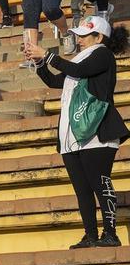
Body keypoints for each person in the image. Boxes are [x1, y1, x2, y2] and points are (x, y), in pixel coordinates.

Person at [24, 16, 128, 248]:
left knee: (100, 183)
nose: (78, 39)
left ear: (99, 37)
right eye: (78, 35)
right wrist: (39, 62)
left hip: (97, 131)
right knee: (82, 190)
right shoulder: (80, 59)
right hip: (71, 136)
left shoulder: (102, 54)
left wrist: (48, 55)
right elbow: (53, 81)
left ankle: (110, 233)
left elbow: (79, 70)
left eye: (83, 35)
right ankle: (90, 235)